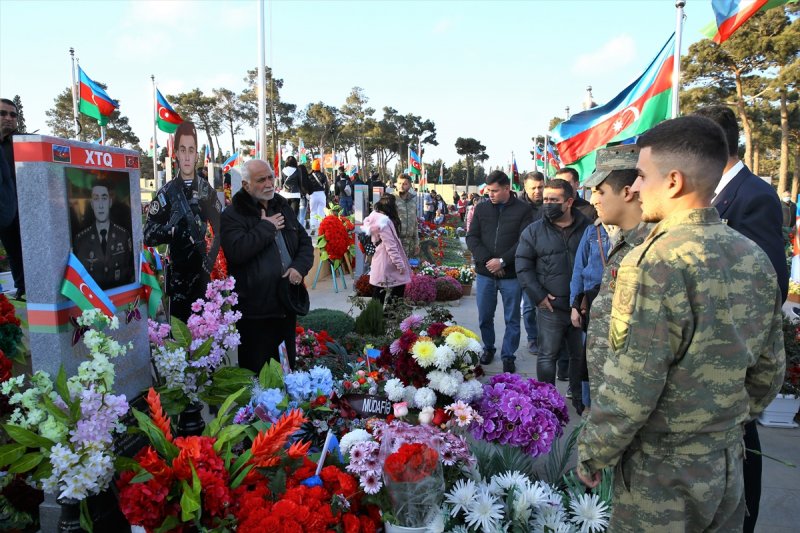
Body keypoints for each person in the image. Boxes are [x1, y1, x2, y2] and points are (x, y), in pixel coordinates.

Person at [577, 115, 785, 532]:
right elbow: (769, 369)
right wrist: (723, 421)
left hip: (661, 474)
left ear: (673, 182)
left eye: (639, 175)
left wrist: (593, 451)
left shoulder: (655, 260)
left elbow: (633, 382)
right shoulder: (752, 256)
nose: (633, 187)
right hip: (726, 463)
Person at [694, 105, 789, 533]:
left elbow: (768, 281)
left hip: (734, 349)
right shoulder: (711, 193)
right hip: (705, 350)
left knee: (741, 447)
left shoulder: (755, 195)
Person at [220, 159, 313, 373]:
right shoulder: (233, 215)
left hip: (286, 306)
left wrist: (299, 268)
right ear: (246, 185)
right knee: (258, 382)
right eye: (261, 179)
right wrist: (266, 227)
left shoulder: (281, 205)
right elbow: (236, 252)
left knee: (287, 375)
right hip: (255, 314)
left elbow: (305, 243)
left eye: (271, 177)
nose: (269, 183)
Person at [575, 145, 647, 416]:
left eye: (600, 191)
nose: (593, 200)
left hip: (625, 407)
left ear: (627, 192)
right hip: (605, 392)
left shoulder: (650, 252)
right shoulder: (626, 242)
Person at [516, 178, 590, 400]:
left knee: (580, 357)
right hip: (550, 307)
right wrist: (538, 296)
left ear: (569, 202)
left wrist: (587, 298)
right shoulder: (533, 231)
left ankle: (578, 397)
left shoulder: (588, 228)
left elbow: (594, 265)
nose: (547, 203)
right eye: (545, 199)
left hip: (581, 307)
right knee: (547, 356)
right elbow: (523, 265)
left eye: (554, 200)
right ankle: (545, 401)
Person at [144, 121, 222, 322]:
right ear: (176, 154)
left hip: (203, 276)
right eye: (182, 150)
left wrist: (210, 262)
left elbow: (221, 229)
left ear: (197, 154)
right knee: (178, 339)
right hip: (178, 278)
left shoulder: (207, 192)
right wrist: (170, 231)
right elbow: (148, 234)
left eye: (191, 150)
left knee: (206, 338)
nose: (187, 156)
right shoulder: (167, 194)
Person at [466, 170, 533, 373]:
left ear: (506, 188)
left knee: (512, 318)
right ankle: (488, 348)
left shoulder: (523, 210)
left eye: (495, 191)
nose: (490, 195)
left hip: (511, 275)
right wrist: (489, 261)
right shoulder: (482, 208)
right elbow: (472, 238)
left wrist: (503, 261)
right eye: (488, 191)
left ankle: (508, 355)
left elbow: (524, 240)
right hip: (486, 273)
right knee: (485, 316)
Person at [73, 182, 133, 289]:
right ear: (91, 204)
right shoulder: (81, 240)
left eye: (104, 198)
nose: (100, 205)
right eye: (96, 199)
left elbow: (128, 270)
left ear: (110, 202)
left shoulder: (123, 236)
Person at [362, 194, 410, 306]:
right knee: (398, 287)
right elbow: (391, 246)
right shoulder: (384, 222)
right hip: (387, 260)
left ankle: (376, 317)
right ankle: (390, 315)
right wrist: (400, 265)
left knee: (379, 290)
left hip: (380, 258)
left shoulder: (374, 218)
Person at [0, 98, 24, 299]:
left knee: (19, 253)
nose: (8, 118)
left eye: (13, 114)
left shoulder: (26, 144)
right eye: (3, 113)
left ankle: (23, 290)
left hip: (18, 211)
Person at [520, 171, 545, 354]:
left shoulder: (551, 204)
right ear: (525, 188)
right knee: (528, 306)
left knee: (545, 305)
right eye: (533, 188)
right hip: (525, 263)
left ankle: (546, 338)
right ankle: (532, 338)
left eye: (540, 187)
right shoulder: (518, 207)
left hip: (546, 263)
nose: (537, 191)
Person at [393, 174, 420, 259]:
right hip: (395, 243)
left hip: (409, 243)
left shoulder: (412, 201)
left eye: (405, 184)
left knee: (407, 269)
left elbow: (415, 223)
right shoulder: (391, 199)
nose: (401, 186)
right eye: (399, 183)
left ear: (410, 185)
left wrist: (416, 243)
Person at [306, 159, 328, 234]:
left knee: (313, 212)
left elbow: (307, 186)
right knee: (321, 212)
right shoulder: (323, 175)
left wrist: (308, 194)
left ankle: (313, 227)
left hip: (313, 195)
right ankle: (321, 229)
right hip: (321, 194)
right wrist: (326, 195)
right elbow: (327, 186)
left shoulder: (309, 176)